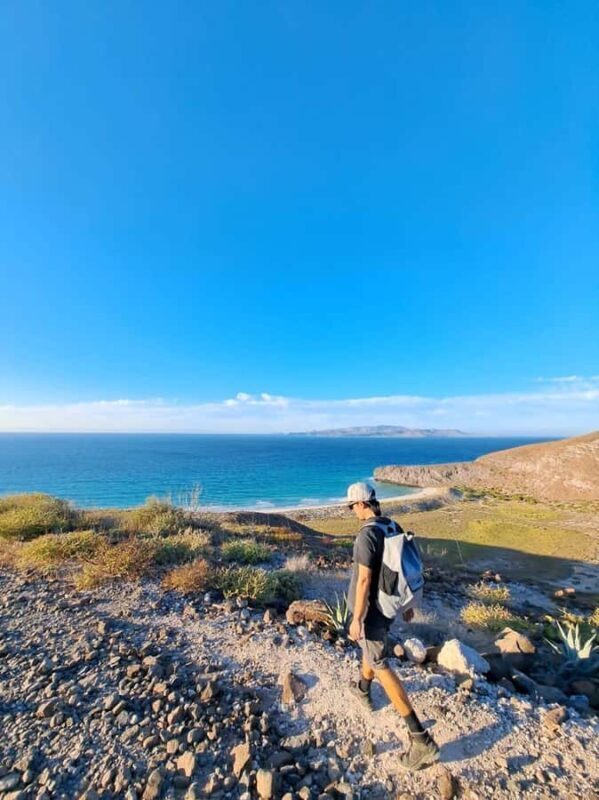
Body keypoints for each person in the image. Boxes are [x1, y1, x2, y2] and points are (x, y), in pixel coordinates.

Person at [346, 481, 439, 771]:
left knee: (380, 664)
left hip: (372, 611)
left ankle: (420, 739)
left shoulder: (366, 535)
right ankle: (363, 689)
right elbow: (406, 567)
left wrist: (357, 618)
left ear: (362, 504)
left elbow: (364, 580)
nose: (352, 511)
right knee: (371, 650)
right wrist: (408, 605)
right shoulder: (391, 525)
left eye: (352, 506)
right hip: (387, 608)